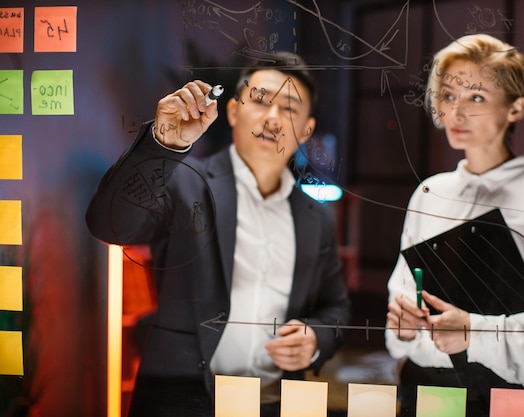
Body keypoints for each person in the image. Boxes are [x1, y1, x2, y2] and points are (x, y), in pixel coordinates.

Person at [86, 51, 351, 417]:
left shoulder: (316, 217)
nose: (273, 118)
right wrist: (164, 144)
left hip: (277, 401)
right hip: (184, 400)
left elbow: (335, 307)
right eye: (260, 102)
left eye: (289, 108)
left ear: (306, 129)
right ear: (232, 112)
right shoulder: (184, 180)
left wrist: (317, 338)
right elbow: (109, 225)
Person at [385, 34, 524, 417]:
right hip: (429, 397)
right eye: (448, 96)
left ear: (516, 107)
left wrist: (472, 332)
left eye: (476, 97)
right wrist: (403, 325)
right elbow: (402, 313)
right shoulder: (430, 192)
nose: (457, 112)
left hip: (515, 403)